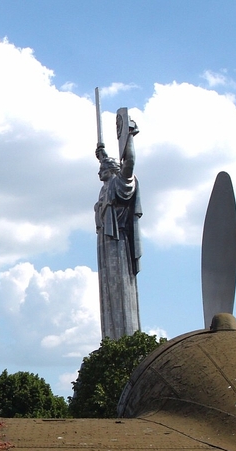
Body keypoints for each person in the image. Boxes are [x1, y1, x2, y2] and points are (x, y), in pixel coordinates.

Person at [94, 117, 142, 339]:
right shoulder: (105, 189)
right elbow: (105, 161)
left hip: (118, 246)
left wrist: (129, 136)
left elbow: (129, 163)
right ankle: (110, 343)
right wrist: (102, 153)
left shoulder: (119, 184)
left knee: (121, 293)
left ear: (113, 169)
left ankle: (124, 340)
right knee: (107, 294)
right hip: (105, 250)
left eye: (103, 167)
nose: (99, 171)